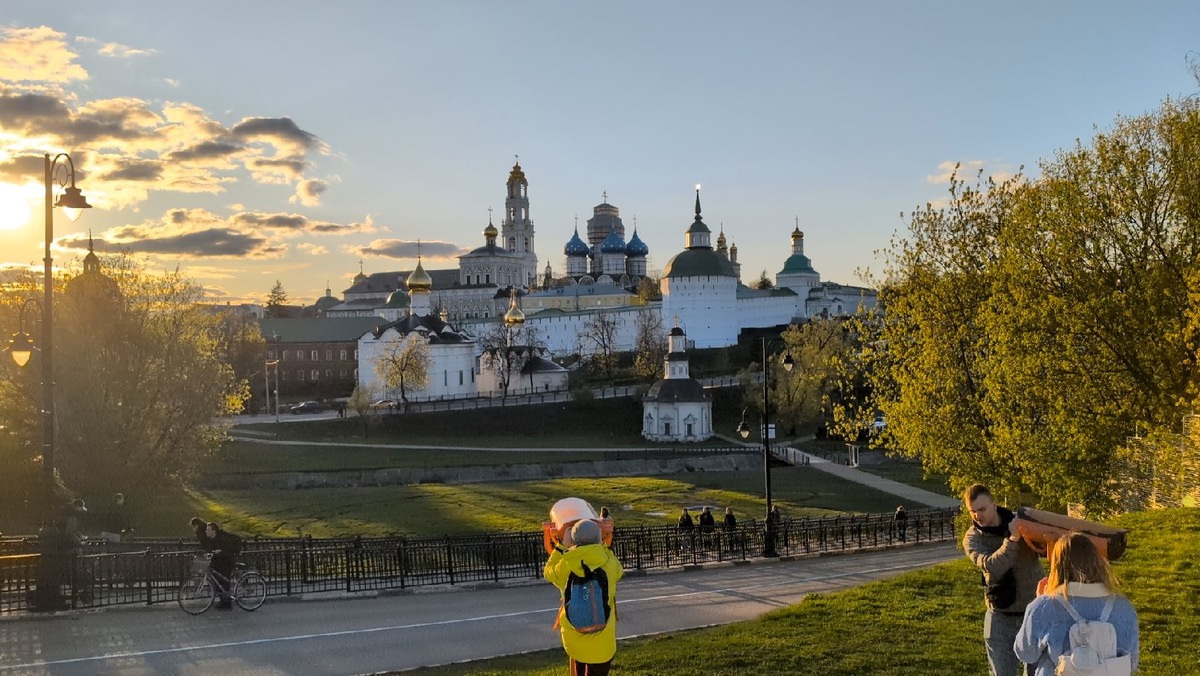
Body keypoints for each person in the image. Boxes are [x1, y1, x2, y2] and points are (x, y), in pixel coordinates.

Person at [1014, 532, 1138, 675]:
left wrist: (1039, 601)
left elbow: (1026, 653)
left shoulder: (1044, 606)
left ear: (1058, 566)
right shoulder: (1124, 608)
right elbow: (1131, 662)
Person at [962, 484, 1042, 676]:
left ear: (994, 505)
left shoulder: (1021, 523)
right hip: (999, 617)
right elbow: (992, 566)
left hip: (1032, 613)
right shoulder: (973, 538)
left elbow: (1049, 546)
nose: (977, 516)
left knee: (1037, 673)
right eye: (972, 511)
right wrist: (1013, 539)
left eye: (982, 509)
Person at [544, 519, 624, 676]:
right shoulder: (608, 563)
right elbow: (619, 571)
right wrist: (603, 543)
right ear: (598, 538)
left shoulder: (566, 564)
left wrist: (561, 546)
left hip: (574, 640)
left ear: (573, 539)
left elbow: (548, 572)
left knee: (578, 665)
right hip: (602, 646)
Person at [203, 521, 242, 610]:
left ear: (214, 531)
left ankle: (227, 603)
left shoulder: (223, 538)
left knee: (224, 580)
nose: (206, 531)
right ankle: (223, 601)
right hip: (219, 561)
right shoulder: (211, 539)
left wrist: (221, 552)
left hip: (227, 561)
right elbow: (208, 549)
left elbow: (229, 551)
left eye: (208, 530)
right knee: (217, 580)